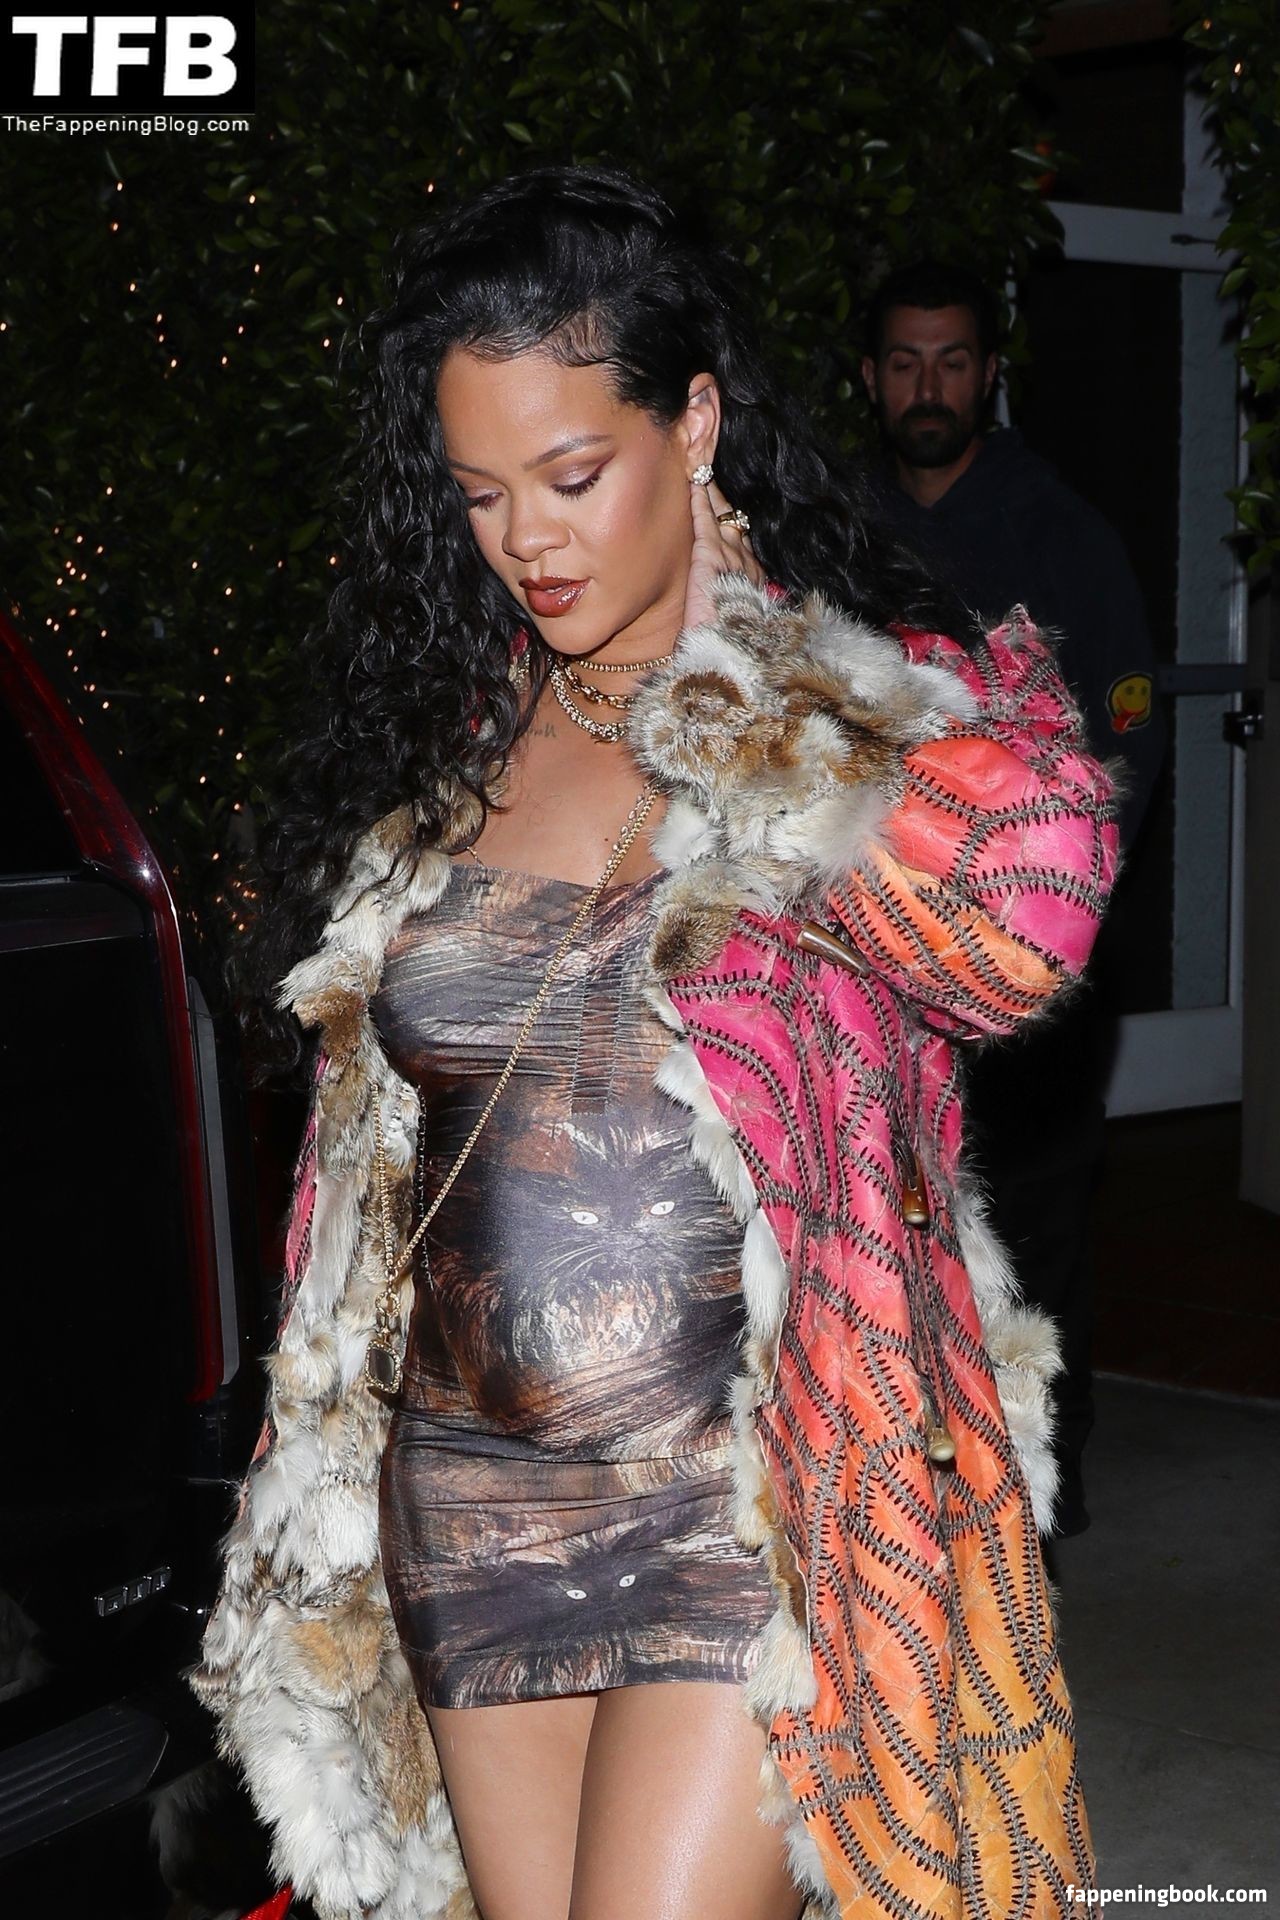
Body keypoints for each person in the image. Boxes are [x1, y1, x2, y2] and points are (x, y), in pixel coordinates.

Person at [192, 168, 1119, 1920]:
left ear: (693, 424)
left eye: (570, 476)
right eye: (478, 493)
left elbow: (1025, 924)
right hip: (468, 1497)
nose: (526, 540)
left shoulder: (832, 714)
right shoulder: (452, 738)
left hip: (740, 1504)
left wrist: (763, 687)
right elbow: (363, 1174)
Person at [861, 260, 1167, 1535]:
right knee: (885, 1240)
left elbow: (1126, 743)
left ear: (988, 375)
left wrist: (1043, 931)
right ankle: (908, 1499)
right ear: (871, 377)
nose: (926, 386)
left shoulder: (1064, 540)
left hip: (1027, 976)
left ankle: (1040, 1499)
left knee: (1033, 1233)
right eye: (903, 362)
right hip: (874, 970)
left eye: (950, 361)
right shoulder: (839, 533)